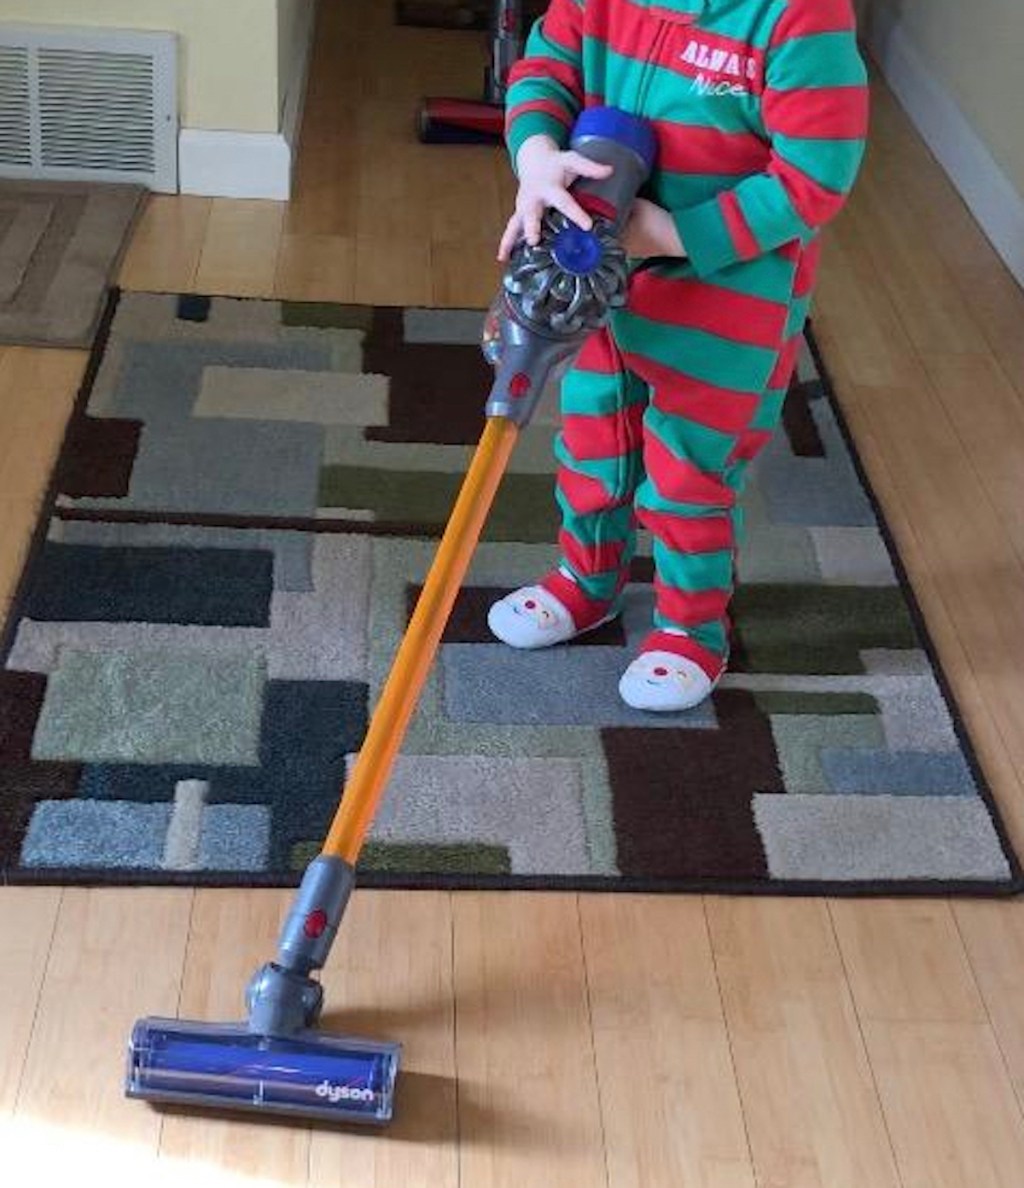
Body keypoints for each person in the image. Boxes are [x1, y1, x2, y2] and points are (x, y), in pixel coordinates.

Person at [486, 0, 869, 712]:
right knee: (596, 439)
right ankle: (587, 578)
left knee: (689, 471)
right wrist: (537, 155)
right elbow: (546, 70)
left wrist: (674, 234)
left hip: (728, 295)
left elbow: (815, 177)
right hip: (603, 274)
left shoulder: (800, 19)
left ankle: (691, 629)